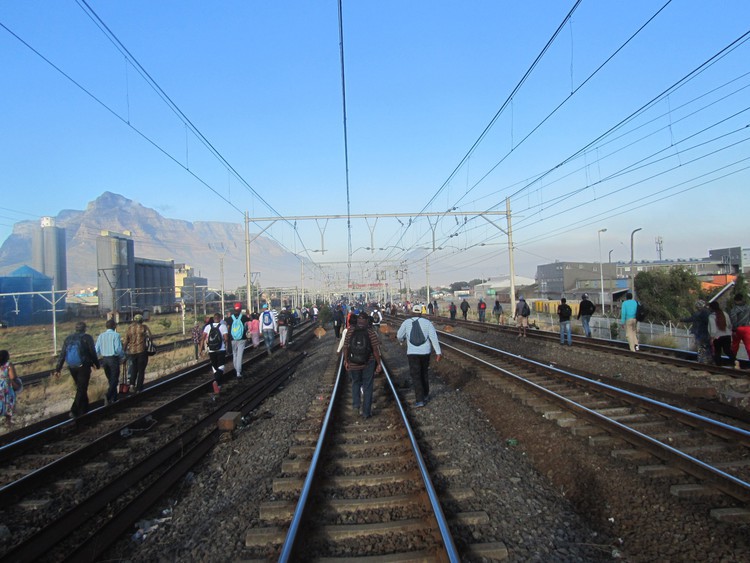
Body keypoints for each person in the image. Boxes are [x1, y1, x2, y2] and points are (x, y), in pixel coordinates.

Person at [396, 304, 442, 407]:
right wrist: (438, 352)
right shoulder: (427, 323)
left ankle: (419, 400)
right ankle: (425, 394)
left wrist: (402, 340)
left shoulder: (406, 323)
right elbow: (433, 338)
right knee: (424, 373)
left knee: (415, 376)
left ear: (412, 312)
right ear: (421, 312)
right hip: (425, 352)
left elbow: (399, 335)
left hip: (412, 353)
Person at [54, 321, 101, 418]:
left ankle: (85, 410)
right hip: (83, 366)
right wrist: (96, 364)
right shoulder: (87, 338)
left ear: (76, 328)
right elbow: (92, 352)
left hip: (72, 367)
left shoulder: (68, 338)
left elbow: (62, 354)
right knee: (82, 388)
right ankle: (74, 410)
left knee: (81, 387)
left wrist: (58, 369)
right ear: (84, 328)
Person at [342, 311, 383, 418]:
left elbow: (345, 347)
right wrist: (379, 364)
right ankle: (366, 412)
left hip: (353, 363)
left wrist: (346, 361)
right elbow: (375, 350)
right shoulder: (370, 332)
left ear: (358, 320)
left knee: (355, 383)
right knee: (368, 386)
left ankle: (356, 405)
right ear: (366, 321)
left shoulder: (350, 331)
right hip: (368, 363)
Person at [95, 319, 126, 405]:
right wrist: (123, 357)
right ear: (114, 326)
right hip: (113, 359)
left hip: (104, 360)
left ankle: (114, 398)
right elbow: (118, 349)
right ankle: (108, 395)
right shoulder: (116, 335)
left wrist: (94, 361)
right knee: (115, 379)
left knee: (110, 379)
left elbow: (96, 349)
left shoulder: (101, 336)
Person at [123, 314, 152, 392]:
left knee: (133, 369)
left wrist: (124, 352)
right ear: (141, 320)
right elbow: (150, 338)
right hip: (142, 351)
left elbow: (125, 341)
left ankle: (132, 385)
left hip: (132, 352)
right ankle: (139, 387)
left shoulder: (129, 328)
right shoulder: (144, 328)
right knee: (141, 370)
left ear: (134, 320)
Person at [201, 312, 229, 394]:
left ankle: (219, 386)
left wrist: (201, 350)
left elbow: (203, 338)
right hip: (221, 349)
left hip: (211, 350)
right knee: (221, 366)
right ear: (220, 319)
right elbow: (226, 338)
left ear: (213, 319)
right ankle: (216, 381)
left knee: (214, 366)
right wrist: (226, 345)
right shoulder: (223, 326)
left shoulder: (207, 327)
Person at [708, 301, 735, 367]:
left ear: (711, 308)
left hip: (717, 337)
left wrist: (712, 337)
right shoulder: (725, 314)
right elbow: (729, 325)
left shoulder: (711, 316)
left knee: (717, 351)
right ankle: (734, 361)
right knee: (727, 350)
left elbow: (713, 328)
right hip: (727, 335)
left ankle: (719, 365)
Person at [228, 302, 251, 377]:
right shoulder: (243, 317)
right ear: (241, 309)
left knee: (235, 354)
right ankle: (238, 372)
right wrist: (248, 313)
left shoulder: (231, 318)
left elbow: (226, 323)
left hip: (233, 339)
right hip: (242, 339)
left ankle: (236, 368)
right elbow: (250, 319)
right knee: (239, 355)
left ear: (234, 309)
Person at [730, 294, 750, 367]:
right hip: (747, 328)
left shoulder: (734, 309)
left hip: (738, 329)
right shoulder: (748, 307)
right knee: (749, 346)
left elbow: (734, 320)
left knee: (735, 346)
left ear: (736, 300)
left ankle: (733, 361)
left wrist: (734, 330)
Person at [0, 350, 19, 426]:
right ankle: (8, 421)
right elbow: (13, 377)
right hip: (6, 387)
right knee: (9, 402)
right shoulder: (8, 365)